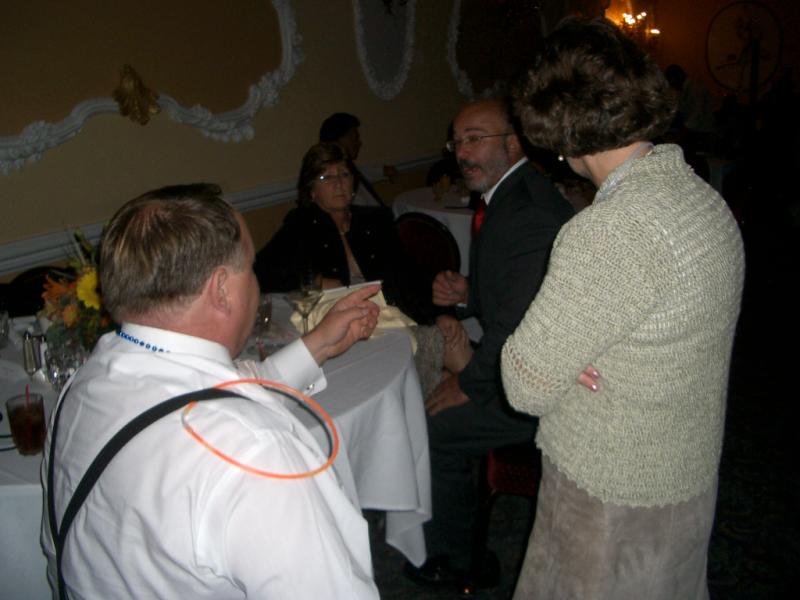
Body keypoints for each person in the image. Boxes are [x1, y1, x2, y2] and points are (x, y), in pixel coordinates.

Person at [41, 183, 382, 599]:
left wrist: (320, 344)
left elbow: (211, 392)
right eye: (250, 267)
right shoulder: (254, 453)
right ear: (221, 289)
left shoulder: (82, 388)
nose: (256, 280)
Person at [503, 17, 744, 599]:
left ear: (558, 128)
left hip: (608, 494)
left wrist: (561, 359)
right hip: (685, 474)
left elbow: (524, 384)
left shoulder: (609, 232)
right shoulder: (703, 200)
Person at [405, 98, 574, 591]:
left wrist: (470, 384)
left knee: (433, 424)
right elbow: (517, 291)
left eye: (476, 138)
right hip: (523, 360)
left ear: (514, 144)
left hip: (541, 388)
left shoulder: (529, 212)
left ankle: (460, 561)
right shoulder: (509, 196)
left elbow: (520, 324)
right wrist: (469, 293)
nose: (462, 152)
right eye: (457, 141)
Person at [254, 142, 470, 394]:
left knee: (453, 339)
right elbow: (263, 272)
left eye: (344, 174)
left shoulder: (375, 219)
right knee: (439, 358)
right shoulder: (301, 225)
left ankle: (470, 397)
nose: (338, 183)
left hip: (396, 311)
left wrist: (441, 313)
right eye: (326, 177)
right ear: (311, 190)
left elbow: (410, 273)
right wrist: (317, 282)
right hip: (354, 327)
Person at [319, 112, 387, 207]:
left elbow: (362, 172)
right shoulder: (336, 183)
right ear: (338, 141)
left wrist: (382, 171)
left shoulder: (350, 170)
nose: (358, 143)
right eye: (354, 138)